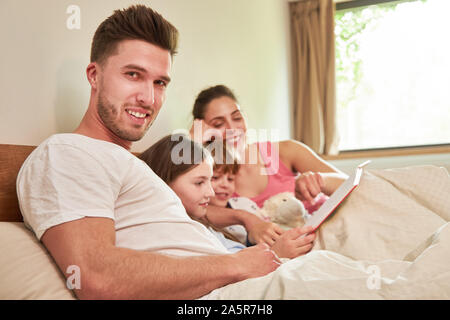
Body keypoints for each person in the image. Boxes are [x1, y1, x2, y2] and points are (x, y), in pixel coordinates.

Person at [16, 5, 281, 300]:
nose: (148, 98)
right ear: (94, 75)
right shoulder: (67, 153)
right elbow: (97, 277)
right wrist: (236, 265)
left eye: (160, 82)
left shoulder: (136, 166)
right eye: (133, 74)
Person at [190, 84, 348, 246]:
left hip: (331, 234)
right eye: (218, 124)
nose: (232, 129)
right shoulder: (212, 180)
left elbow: (352, 183)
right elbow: (189, 209)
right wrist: (193, 144)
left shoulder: (286, 151)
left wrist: (320, 180)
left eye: (237, 118)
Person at [139, 134, 316, 259]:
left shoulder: (205, 224)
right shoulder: (178, 233)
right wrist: (276, 254)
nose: (211, 192)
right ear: (163, 183)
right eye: (200, 183)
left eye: (210, 180)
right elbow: (229, 269)